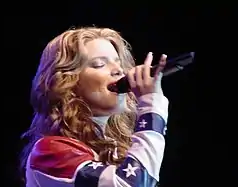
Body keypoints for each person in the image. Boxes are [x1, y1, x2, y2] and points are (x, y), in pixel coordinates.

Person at [19, 27, 169, 187]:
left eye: (118, 63)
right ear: (67, 82)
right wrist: (151, 106)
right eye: (99, 64)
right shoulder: (50, 153)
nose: (119, 70)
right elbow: (130, 184)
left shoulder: (119, 151)